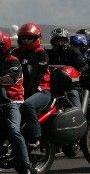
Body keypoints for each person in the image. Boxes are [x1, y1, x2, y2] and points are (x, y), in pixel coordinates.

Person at [12, 23, 51, 148]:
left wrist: (24, 95)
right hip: (21, 92)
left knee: (28, 105)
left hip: (41, 91)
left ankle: (36, 137)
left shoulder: (41, 54)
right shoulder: (16, 53)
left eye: (29, 38)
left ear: (37, 38)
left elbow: (36, 77)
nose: (26, 40)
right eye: (23, 38)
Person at [0, 31, 32, 174]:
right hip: (1, 102)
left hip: (13, 102)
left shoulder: (13, 61)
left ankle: (25, 166)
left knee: (14, 131)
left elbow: (11, 78)